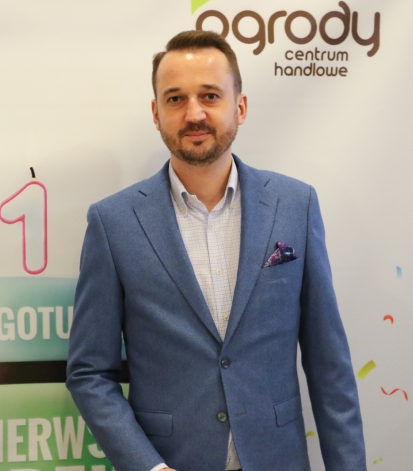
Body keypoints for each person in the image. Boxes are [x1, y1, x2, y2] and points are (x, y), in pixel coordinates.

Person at [66, 30, 366, 471]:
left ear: (239, 107)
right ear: (156, 113)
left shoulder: (295, 205)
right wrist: (148, 467)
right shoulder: (113, 223)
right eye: (175, 99)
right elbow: (90, 373)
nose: (194, 114)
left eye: (210, 95)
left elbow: (329, 365)